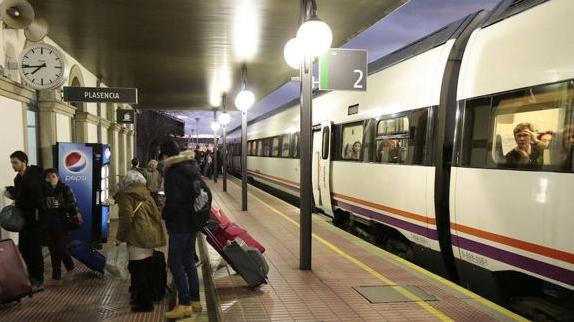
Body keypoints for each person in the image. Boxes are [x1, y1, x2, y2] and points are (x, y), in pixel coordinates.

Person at [160, 140, 203, 319]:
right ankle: (195, 301)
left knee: (175, 263)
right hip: (192, 222)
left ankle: (184, 304)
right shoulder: (191, 168)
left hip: (179, 225)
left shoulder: (172, 172)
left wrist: (164, 213)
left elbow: (174, 201)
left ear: (165, 155)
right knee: (188, 261)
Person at [115, 170, 166, 312]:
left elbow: (126, 219)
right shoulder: (147, 195)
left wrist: (119, 237)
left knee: (138, 271)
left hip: (136, 237)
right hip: (148, 237)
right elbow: (157, 215)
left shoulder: (126, 197)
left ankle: (145, 303)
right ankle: (141, 299)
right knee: (144, 269)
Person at [4, 151, 45, 290]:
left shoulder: (34, 177)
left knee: (34, 249)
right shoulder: (18, 179)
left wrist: (20, 203)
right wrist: (12, 193)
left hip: (35, 218)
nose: (13, 165)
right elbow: (21, 195)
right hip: (24, 218)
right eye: (12, 163)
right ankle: (32, 276)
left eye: (15, 162)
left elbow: (38, 200)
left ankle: (38, 280)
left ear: (24, 162)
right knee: (23, 248)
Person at [42, 168, 78, 285]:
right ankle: (56, 276)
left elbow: (73, 203)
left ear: (58, 177)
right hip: (48, 223)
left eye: (53, 176)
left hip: (62, 223)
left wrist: (60, 205)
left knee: (61, 248)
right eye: (48, 177)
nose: (51, 179)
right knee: (53, 250)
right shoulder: (43, 190)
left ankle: (71, 268)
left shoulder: (64, 188)